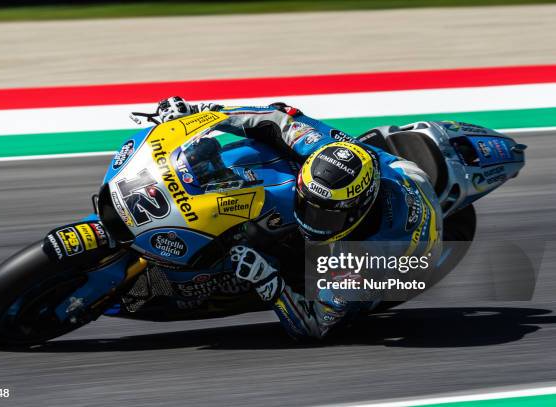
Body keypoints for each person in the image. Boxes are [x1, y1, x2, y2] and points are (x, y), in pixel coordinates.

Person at [156, 96, 443, 339]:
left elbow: (315, 325)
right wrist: (199, 116)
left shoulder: (368, 259)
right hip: (385, 168)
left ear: (357, 210)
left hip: (406, 253)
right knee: (271, 141)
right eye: (309, 206)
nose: (311, 221)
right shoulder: (323, 149)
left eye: (324, 217)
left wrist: (266, 278)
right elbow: (276, 118)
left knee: (346, 304)